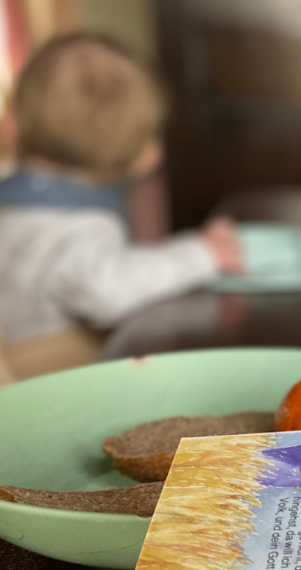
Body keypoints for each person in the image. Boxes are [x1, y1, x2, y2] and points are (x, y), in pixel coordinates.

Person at [0, 33, 244, 379]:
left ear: (13, 123)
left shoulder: (13, 200)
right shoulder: (77, 226)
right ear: (147, 155)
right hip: (43, 380)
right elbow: (108, 290)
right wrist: (202, 253)